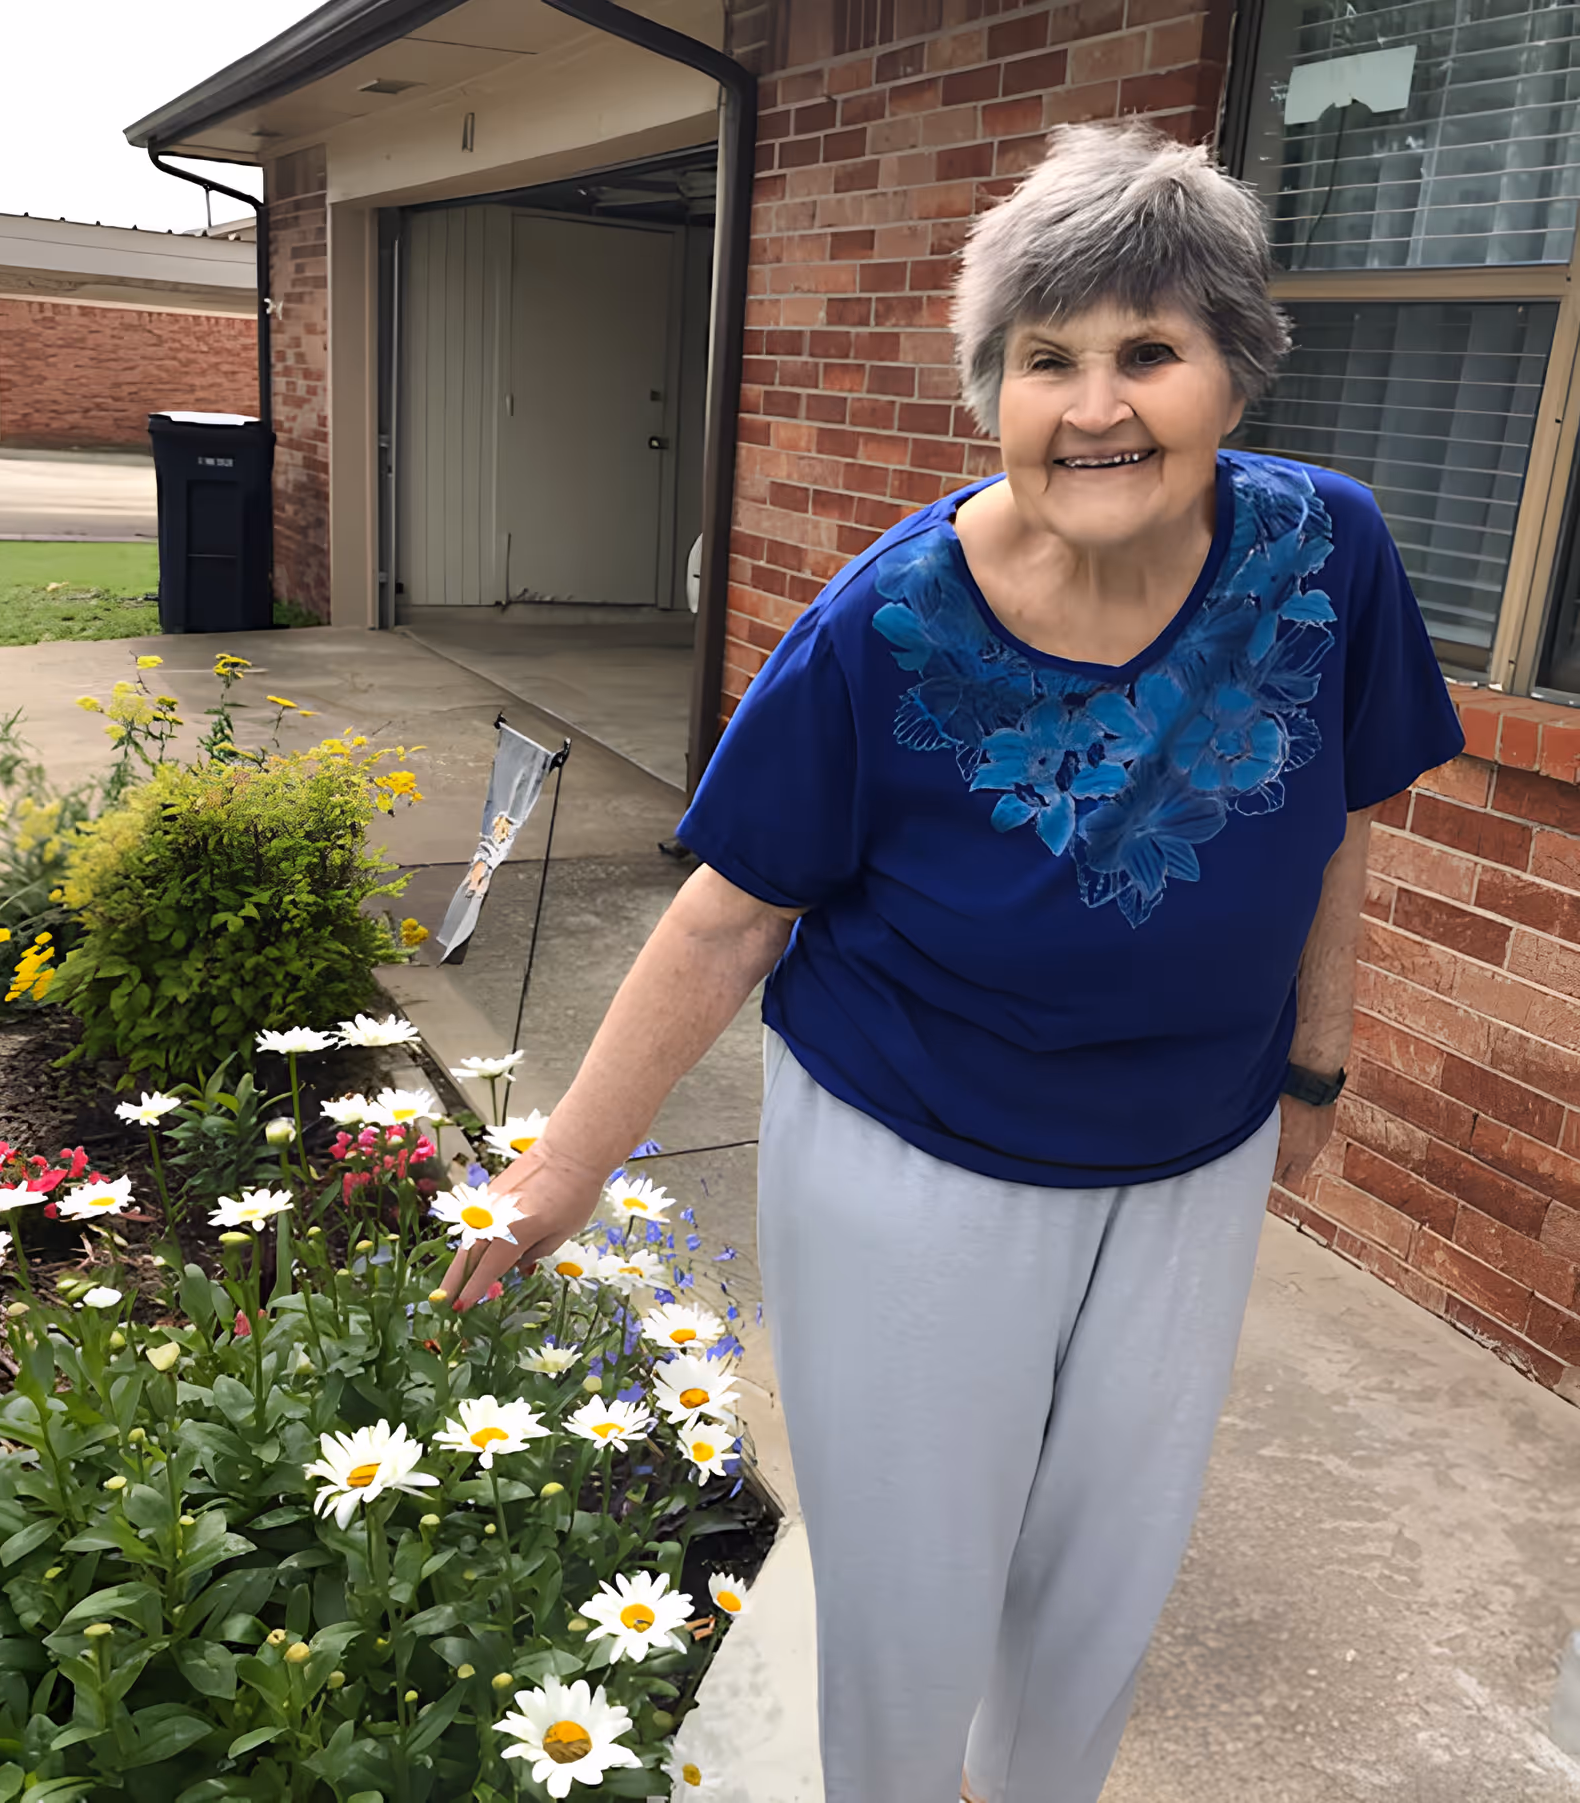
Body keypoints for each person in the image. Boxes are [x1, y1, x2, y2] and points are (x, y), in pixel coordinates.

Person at [443, 119, 1465, 1803]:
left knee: (1108, 1566)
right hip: (914, 1152)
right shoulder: (885, 624)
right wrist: (557, 1175)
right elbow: (727, 915)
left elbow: (1342, 822)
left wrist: (1314, 1063)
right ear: (994, 386)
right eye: (1045, 359)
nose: (1095, 405)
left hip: (1191, 1150)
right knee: (915, 1582)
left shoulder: (1324, 558)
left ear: (1236, 369)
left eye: (1149, 350)